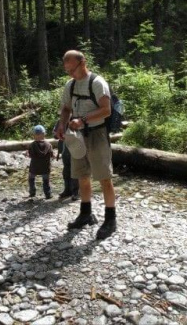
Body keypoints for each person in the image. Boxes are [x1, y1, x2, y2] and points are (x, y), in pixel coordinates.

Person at [55, 50, 117, 240]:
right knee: (82, 176)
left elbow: (106, 110)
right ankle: (86, 214)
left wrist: (82, 120)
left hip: (97, 134)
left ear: (83, 63)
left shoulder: (97, 83)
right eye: (67, 70)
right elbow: (66, 108)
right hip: (77, 136)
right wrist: (62, 125)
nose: (70, 73)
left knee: (104, 178)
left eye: (71, 69)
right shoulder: (70, 85)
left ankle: (110, 220)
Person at [54, 121, 80, 200]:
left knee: (75, 172)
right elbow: (55, 135)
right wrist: (59, 134)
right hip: (65, 152)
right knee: (66, 172)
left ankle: (76, 192)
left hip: (75, 151)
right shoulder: (60, 121)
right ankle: (67, 190)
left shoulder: (76, 121)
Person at [27, 125, 53, 199]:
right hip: (45, 167)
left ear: (34, 135)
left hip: (34, 167)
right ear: (44, 134)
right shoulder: (48, 144)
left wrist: (27, 153)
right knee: (46, 181)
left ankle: (32, 192)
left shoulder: (32, 145)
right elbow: (51, 155)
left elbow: (30, 155)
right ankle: (48, 194)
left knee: (31, 179)